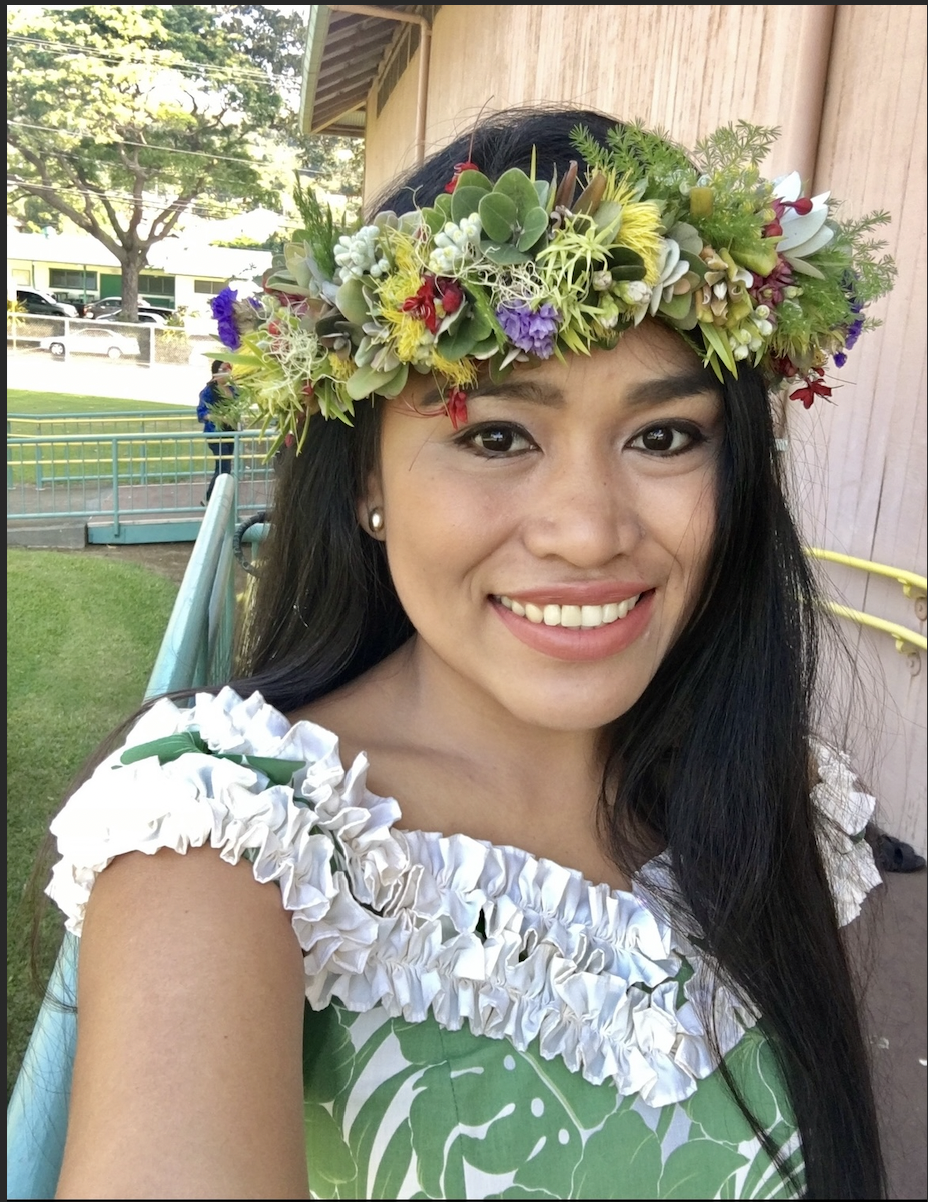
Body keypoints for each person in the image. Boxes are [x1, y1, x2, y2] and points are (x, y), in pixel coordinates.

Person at [44, 107, 896, 1199]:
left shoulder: (757, 788)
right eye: (495, 435)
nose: (587, 531)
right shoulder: (232, 845)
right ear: (366, 482)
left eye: (664, 436)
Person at [197, 358, 236, 504]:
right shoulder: (208, 392)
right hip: (215, 434)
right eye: (224, 370)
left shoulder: (233, 390)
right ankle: (211, 498)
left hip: (230, 434)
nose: (228, 373)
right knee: (224, 467)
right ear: (215, 373)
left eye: (228, 369)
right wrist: (220, 418)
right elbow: (201, 414)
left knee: (224, 466)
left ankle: (216, 498)